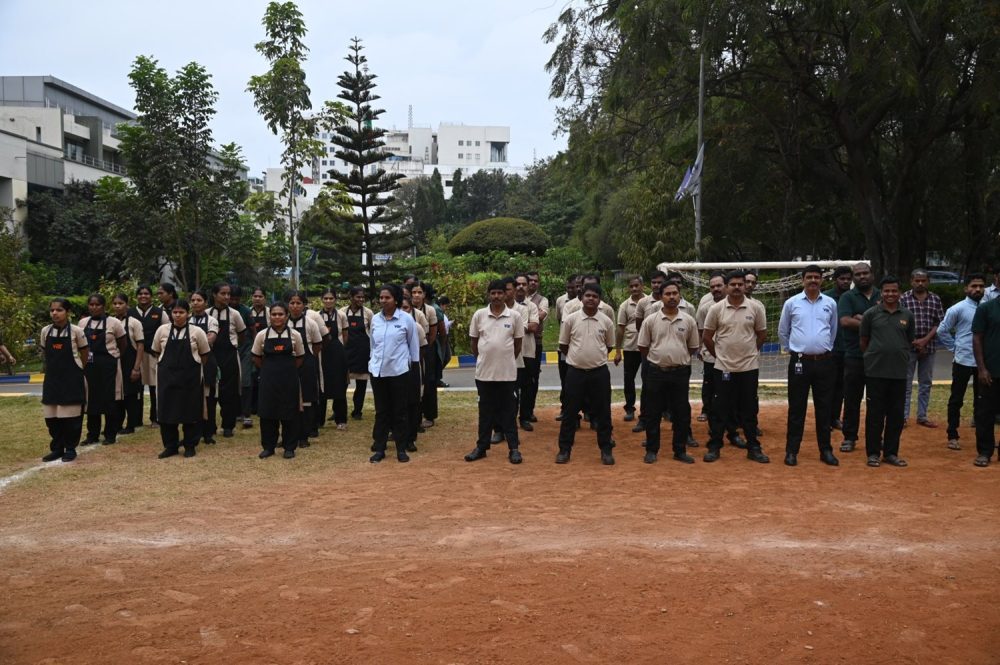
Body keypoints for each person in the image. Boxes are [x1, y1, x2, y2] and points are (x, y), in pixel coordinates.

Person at [702, 271, 770, 464]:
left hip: (749, 368)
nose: (737, 287)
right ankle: (714, 446)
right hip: (723, 368)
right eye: (733, 284)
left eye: (740, 284)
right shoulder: (716, 309)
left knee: (749, 409)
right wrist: (719, 356)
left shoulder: (755, 308)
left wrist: (751, 352)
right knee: (720, 409)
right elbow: (707, 336)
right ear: (726, 287)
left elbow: (762, 334)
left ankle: (753, 448)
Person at [777, 265, 840, 467]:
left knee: (824, 408)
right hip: (799, 363)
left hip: (824, 363)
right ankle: (791, 451)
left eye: (816, 277)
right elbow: (783, 331)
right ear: (802, 280)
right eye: (809, 277)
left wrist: (824, 349)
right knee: (797, 408)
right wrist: (794, 350)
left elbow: (833, 330)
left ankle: (826, 450)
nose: (813, 280)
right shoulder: (791, 303)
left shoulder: (830, 303)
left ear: (821, 280)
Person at [637, 282, 700, 464]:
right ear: (661, 296)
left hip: (680, 373)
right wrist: (659, 359)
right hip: (656, 372)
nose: (671, 297)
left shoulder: (688, 321)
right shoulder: (650, 320)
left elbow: (692, 347)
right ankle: (651, 450)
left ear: (679, 295)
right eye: (667, 294)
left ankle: (679, 450)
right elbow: (643, 346)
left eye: (675, 293)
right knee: (653, 412)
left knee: (681, 412)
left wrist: (677, 358)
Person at [465, 279, 525, 464]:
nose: (497, 296)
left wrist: (505, 360)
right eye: (493, 293)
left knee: (509, 412)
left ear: (505, 294)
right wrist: (483, 358)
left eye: (500, 293)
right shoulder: (479, 315)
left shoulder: (514, 316)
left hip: (507, 375)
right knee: (485, 413)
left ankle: (514, 449)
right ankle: (481, 447)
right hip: (484, 374)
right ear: (488, 295)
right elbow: (474, 342)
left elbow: (517, 345)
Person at [556, 283, 616, 465]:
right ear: (581, 298)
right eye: (588, 295)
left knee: (603, 413)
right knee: (569, 412)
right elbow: (564, 345)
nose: (591, 299)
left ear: (599, 300)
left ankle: (606, 450)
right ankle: (564, 450)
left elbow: (609, 346)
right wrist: (578, 359)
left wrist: (593, 359)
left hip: (599, 373)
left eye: (595, 296)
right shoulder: (570, 320)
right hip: (575, 373)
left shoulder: (606, 321)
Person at [860, 276, 915, 468]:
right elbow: (864, 341)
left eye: (894, 291)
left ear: (900, 293)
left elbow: (909, 340)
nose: (890, 294)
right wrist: (873, 357)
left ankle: (891, 453)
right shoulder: (870, 314)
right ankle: (873, 453)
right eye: (886, 291)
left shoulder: (907, 315)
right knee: (875, 415)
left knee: (896, 416)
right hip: (875, 372)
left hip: (899, 373)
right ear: (881, 293)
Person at [150, 299, 211, 458]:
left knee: (191, 412)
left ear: (188, 314)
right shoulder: (162, 330)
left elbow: (204, 355)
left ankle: (190, 445)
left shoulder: (197, 332)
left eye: (181, 312)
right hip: (167, 379)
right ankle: (170, 446)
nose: (177, 315)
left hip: (190, 379)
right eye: (175, 312)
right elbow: (156, 351)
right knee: (166, 412)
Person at [368, 284, 421, 463]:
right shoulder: (375, 319)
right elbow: (373, 345)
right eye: (381, 297)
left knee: (400, 411)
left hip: (399, 372)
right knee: (381, 412)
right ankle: (380, 448)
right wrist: (372, 363)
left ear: (396, 300)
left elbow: (413, 346)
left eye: (387, 298)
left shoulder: (406, 319)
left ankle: (401, 448)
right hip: (378, 373)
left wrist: (413, 368)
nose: (383, 301)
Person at [937, 273, 986, 451]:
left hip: (983, 362)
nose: (978, 289)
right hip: (963, 360)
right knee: (957, 399)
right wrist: (955, 347)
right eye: (974, 286)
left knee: (982, 400)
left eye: (981, 286)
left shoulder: (988, 307)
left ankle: (982, 437)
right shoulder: (957, 309)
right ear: (966, 288)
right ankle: (952, 434)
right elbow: (942, 330)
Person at [252, 301, 305, 459]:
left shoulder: (295, 335)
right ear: (270, 316)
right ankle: (268, 447)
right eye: (274, 314)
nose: (277, 317)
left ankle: (289, 447)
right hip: (268, 381)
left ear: (287, 316)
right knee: (267, 414)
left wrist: (287, 370)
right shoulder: (262, 335)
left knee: (290, 414)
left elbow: (300, 358)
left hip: (289, 380)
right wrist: (268, 370)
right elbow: (256, 357)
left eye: (280, 314)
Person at [39, 298, 88, 462]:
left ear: (68, 312)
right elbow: (45, 352)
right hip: (52, 379)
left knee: (71, 418)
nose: (55, 313)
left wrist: (79, 369)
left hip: (72, 379)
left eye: (59, 310)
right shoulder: (45, 331)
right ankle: (57, 448)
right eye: (52, 310)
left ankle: (70, 448)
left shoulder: (77, 331)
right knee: (51, 417)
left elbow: (84, 353)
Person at [837, 262, 879, 453]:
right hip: (854, 356)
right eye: (858, 274)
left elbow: (890, 321)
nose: (862, 276)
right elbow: (845, 321)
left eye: (865, 273)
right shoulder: (847, 297)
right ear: (854, 277)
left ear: (872, 274)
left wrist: (862, 319)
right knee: (852, 399)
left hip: (878, 358)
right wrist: (874, 324)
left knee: (877, 401)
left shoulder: (882, 295)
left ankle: (876, 439)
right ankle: (849, 437)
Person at [79, 294, 127, 445]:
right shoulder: (82, 323)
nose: (94, 307)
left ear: (104, 306)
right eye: (91, 304)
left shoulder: (114, 323)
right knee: (91, 400)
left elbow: (123, 344)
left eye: (97, 305)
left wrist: (113, 357)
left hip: (109, 366)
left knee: (109, 400)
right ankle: (92, 434)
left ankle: (110, 434)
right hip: (90, 366)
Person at [900, 269, 944, 428]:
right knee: (906, 383)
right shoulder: (904, 298)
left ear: (928, 281)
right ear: (911, 281)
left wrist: (925, 341)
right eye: (917, 280)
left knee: (925, 383)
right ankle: (903, 417)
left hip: (929, 347)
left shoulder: (935, 299)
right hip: (908, 347)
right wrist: (915, 342)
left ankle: (922, 416)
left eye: (923, 280)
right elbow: (899, 322)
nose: (920, 283)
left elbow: (940, 323)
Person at [207, 283, 247, 438]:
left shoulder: (235, 314)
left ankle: (228, 426)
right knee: (210, 391)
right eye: (223, 293)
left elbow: (242, 334)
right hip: (211, 355)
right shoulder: (207, 314)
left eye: (228, 294)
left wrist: (233, 345)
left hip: (229, 355)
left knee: (229, 392)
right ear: (214, 294)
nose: (227, 297)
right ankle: (210, 426)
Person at [287, 291, 324, 448]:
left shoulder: (311, 323)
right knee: (288, 399)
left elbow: (317, 345)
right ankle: (289, 434)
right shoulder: (282, 322)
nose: (295, 306)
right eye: (292, 303)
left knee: (308, 399)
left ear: (304, 305)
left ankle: (305, 434)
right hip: (288, 365)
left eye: (299, 303)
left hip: (307, 363)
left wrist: (308, 360)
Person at [972, 284, 1000, 467]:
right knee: (985, 414)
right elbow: (977, 338)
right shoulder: (986, 308)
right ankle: (984, 451)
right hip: (991, 371)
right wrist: (981, 368)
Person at [130, 285, 164, 428]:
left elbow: (166, 332)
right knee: (136, 387)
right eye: (140, 293)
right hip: (134, 355)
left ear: (151, 296)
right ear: (136, 296)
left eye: (146, 293)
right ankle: (136, 419)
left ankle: (155, 418)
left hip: (153, 354)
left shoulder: (160, 313)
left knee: (154, 387)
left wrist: (159, 351)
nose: (143, 296)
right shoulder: (130, 312)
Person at [823, 266, 853, 430]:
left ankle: (835, 417)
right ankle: (825, 419)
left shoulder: (853, 297)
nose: (845, 282)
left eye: (848, 279)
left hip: (849, 349)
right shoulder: (826, 298)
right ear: (835, 280)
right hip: (830, 349)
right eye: (842, 279)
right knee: (829, 386)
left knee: (842, 386)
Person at [111, 293, 146, 435]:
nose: (117, 306)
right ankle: (116, 424)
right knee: (116, 395)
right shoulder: (110, 322)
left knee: (130, 395)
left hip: (130, 362)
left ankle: (131, 424)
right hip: (115, 363)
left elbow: (140, 345)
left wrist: (136, 368)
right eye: (115, 303)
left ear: (127, 304)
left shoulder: (134, 323)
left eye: (120, 303)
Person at [189, 291, 220, 444]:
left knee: (209, 397)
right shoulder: (187, 319)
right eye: (193, 300)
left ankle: (209, 431)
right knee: (192, 397)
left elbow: (210, 339)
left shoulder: (212, 321)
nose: (195, 303)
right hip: (190, 363)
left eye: (199, 300)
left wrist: (192, 343)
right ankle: (194, 431)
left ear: (206, 303)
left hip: (207, 362)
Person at [318, 287, 350, 431]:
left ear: (335, 300)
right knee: (321, 386)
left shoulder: (341, 315)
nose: (328, 301)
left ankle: (341, 419)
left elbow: (345, 335)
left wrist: (340, 350)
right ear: (321, 300)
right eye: (326, 298)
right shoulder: (316, 316)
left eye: (331, 298)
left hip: (338, 353)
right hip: (322, 353)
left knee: (339, 386)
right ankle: (319, 420)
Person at [400, 292, 428, 453]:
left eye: (406, 308)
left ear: (411, 309)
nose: (402, 311)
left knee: (412, 404)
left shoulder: (416, 327)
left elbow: (422, 349)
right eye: (400, 308)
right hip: (393, 371)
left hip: (411, 369)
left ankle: (410, 438)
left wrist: (411, 364)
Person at [411, 282, 442, 429]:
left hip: (427, 348)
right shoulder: (405, 308)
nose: (416, 295)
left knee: (429, 382)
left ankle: (429, 415)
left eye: (419, 292)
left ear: (424, 294)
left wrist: (426, 348)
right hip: (409, 350)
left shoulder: (430, 310)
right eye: (414, 292)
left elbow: (434, 332)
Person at [512, 274, 541, 430]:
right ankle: (510, 419)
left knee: (527, 386)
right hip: (511, 353)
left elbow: (534, 327)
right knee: (511, 387)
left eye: (524, 284)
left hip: (528, 351)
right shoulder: (507, 306)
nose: (521, 287)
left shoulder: (532, 306)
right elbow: (526, 327)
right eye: (518, 284)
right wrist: (524, 325)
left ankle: (524, 417)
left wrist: (513, 326)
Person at [615, 276, 645, 422]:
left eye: (636, 285)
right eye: (631, 286)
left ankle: (649, 410)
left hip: (649, 348)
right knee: (629, 379)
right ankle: (629, 409)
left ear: (642, 286)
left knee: (650, 380)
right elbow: (620, 329)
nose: (634, 288)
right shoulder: (624, 306)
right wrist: (618, 351)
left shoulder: (651, 302)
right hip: (630, 348)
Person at [342, 286, 374, 420]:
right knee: (342, 384)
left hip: (362, 352)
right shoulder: (342, 312)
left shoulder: (368, 313)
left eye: (362, 297)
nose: (361, 299)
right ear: (351, 297)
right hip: (346, 352)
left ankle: (357, 411)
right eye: (358, 297)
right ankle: (339, 411)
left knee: (361, 384)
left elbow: (372, 332)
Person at [230, 285, 256, 429]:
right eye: (231, 298)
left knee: (245, 380)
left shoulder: (245, 311)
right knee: (232, 382)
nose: (233, 301)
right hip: (230, 349)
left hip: (245, 349)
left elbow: (252, 330)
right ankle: (235, 411)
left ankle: (246, 414)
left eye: (236, 299)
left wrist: (255, 349)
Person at [525, 270, 549, 423]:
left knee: (532, 378)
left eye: (536, 280)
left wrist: (520, 319)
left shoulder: (543, 300)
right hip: (516, 342)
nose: (533, 282)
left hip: (535, 343)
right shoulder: (515, 298)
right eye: (530, 280)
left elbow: (540, 317)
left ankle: (528, 411)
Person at [554, 274, 579, 421]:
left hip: (580, 348)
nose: (571, 290)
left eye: (574, 287)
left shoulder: (585, 302)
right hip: (564, 347)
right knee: (565, 380)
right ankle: (565, 409)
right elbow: (560, 321)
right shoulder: (560, 301)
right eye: (568, 287)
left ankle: (586, 410)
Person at [246, 287, 269, 418]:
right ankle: (251, 406)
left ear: (265, 298)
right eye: (255, 296)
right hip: (250, 350)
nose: (257, 299)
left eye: (260, 296)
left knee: (264, 378)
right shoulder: (247, 312)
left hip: (267, 350)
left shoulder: (270, 313)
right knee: (251, 378)